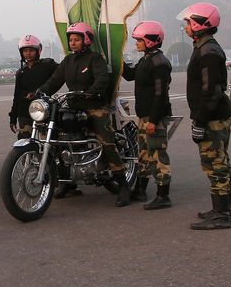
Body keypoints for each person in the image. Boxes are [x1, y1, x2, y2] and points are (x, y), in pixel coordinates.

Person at [38, 22, 130, 206]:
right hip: (73, 106)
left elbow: (102, 79)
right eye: (71, 39)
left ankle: (123, 185)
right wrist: (40, 91)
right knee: (58, 140)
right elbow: (54, 80)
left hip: (94, 106)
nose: (72, 42)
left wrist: (92, 91)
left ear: (86, 40)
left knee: (106, 142)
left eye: (76, 39)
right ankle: (67, 182)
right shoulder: (68, 61)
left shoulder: (95, 59)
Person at [178, 3, 231, 230]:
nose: (186, 28)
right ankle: (218, 209)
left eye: (188, 23)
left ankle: (222, 214)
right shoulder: (204, 46)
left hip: (213, 116)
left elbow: (210, 91)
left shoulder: (208, 51)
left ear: (200, 24)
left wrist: (200, 121)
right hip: (210, 114)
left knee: (216, 162)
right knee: (211, 162)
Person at [120, 21, 173, 210]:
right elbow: (131, 75)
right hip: (145, 117)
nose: (136, 43)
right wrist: (118, 59)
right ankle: (140, 190)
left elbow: (161, 95)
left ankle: (163, 195)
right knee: (143, 154)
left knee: (158, 154)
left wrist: (154, 120)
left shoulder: (159, 63)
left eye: (139, 40)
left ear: (150, 41)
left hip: (154, 117)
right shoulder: (146, 59)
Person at [9, 35, 58, 139]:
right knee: (24, 140)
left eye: (31, 50)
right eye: (25, 51)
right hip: (24, 112)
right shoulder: (20, 73)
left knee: (48, 141)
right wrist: (13, 118)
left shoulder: (48, 65)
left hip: (44, 110)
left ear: (38, 51)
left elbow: (63, 71)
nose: (28, 53)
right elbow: (16, 96)